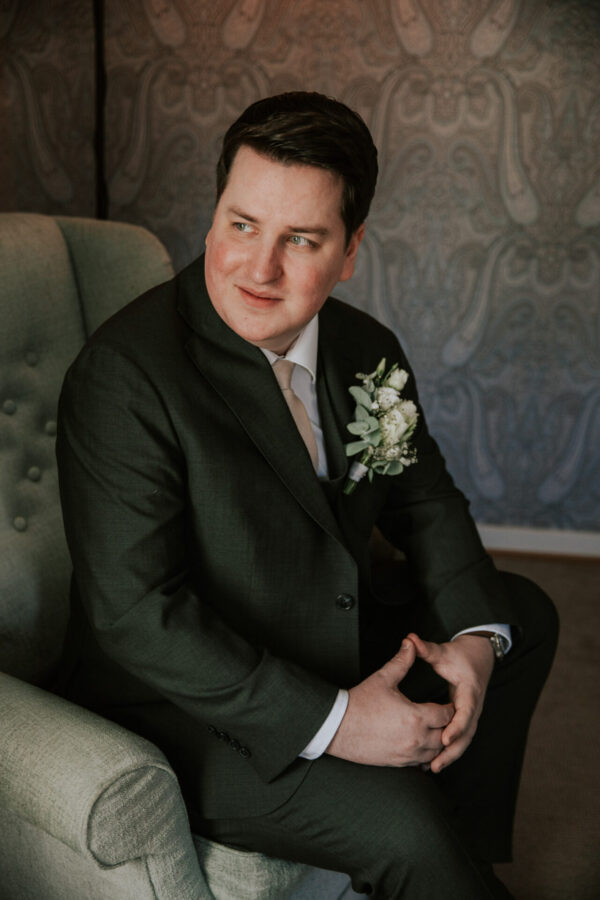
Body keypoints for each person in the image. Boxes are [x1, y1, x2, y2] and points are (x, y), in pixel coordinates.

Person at [56, 92, 558, 899]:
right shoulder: (125, 376)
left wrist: (471, 639)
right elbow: (137, 615)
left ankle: (460, 866)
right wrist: (339, 720)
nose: (259, 269)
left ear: (350, 250)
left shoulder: (366, 348)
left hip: (318, 623)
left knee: (518, 617)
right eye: (242, 224)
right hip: (189, 705)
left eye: (301, 238)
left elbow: (425, 502)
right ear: (214, 216)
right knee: (403, 826)